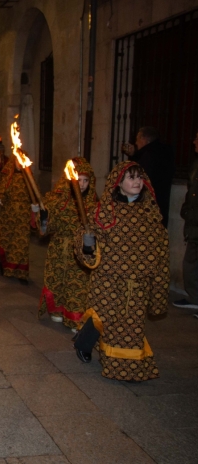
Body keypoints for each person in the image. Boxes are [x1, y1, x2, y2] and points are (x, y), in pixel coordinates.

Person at [73, 161, 169, 382]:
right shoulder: (104, 210)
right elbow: (87, 240)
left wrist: (157, 286)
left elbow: (162, 249)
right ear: (118, 184)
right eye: (131, 178)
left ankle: (125, 364)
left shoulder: (151, 212)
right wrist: (88, 244)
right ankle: (84, 344)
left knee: (131, 324)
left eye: (139, 178)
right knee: (102, 317)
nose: (136, 182)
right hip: (108, 279)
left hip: (138, 283)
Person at [38, 157, 97, 331]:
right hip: (59, 248)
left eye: (86, 181)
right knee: (58, 281)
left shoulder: (94, 205)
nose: (82, 184)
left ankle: (75, 317)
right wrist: (42, 216)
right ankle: (57, 310)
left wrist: (90, 238)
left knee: (77, 285)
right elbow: (49, 226)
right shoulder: (60, 201)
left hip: (80, 252)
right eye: (79, 180)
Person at [0, 155, 37, 285]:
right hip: (8, 213)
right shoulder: (8, 176)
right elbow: (1, 192)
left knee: (22, 243)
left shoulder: (29, 177)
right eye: (18, 160)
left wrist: (35, 206)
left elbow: (35, 193)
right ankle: (5, 267)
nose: (20, 163)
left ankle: (21, 273)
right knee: (7, 241)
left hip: (23, 215)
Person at [123, 126, 175, 226]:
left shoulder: (148, 155)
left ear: (144, 139)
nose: (136, 143)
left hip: (147, 205)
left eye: (137, 139)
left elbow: (140, 176)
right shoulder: (165, 152)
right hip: (161, 201)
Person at [174, 131, 198, 312]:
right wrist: (187, 209)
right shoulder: (195, 164)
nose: (194, 141)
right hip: (194, 222)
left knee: (191, 261)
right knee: (191, 261)